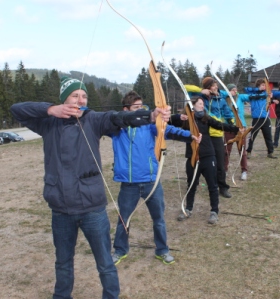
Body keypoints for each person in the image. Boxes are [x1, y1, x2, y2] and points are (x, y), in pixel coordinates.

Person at [10, 77, 171, 299]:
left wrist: (150, 116)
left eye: (84, 95)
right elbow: (16, 110)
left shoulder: (93, 119)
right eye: (75, 95)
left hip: (92, 208)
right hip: (61, 209)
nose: (80, 99)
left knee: (105, 262)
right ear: (63, 99)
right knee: (63, 262)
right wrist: (50, 110)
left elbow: (119, 118)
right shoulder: (47, 123)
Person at [108, 91, 201, 266]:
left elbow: (168, 130)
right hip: (129, 184)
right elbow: (104, 121)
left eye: (142, 107)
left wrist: (191, 136)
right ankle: (120, 250)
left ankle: (162, 250)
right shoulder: (117, 128)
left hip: (152, 181)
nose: (141, 111)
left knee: (159, 219)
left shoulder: (149, 125)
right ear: (125, 109)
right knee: (124, 219)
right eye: (136, 108)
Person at [170, 96, 241, 225]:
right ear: (193, 106)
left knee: (212, 185)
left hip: (208, 155)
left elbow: (220, 125)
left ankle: (214, 211)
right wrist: (179, 117)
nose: (202, 106)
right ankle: (188, 209)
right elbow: (169, 121)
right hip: (192, 156)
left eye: (203, 104)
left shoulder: (205, 118)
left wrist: (236, 129)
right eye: (200, 104)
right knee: (191, 184)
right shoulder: (185, 120)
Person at [199, 77, 235, 198]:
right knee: (204, 161)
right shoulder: (201, 98)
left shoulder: (221, 99)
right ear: (207, 87)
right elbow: (187, 90)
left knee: (220, 162)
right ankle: (204, 182)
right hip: (204, 134)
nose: (215, 87)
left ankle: (223, 187)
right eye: (213, 85)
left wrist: (232, 123)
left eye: (216, 85)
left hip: (217, 133)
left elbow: (227, 112)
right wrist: (201, 93)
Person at [242, 79, 280, 159]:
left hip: (266, 118)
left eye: (265, 85)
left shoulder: (267, 93)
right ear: (258, 86)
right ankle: (248, 151)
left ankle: (270, 152)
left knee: (268, 136)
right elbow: (246, 89)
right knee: (253, 135)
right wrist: (259, 90)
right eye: (262, 85)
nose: (264, 87)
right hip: (257, 118)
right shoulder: (252, 93)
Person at [223, 84, 249, 181]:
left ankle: (244, 171)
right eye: (232, 90)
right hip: (228, 127)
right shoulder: (224, 99)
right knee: (226, 150)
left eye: (236, 89)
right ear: (228, 91)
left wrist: (264, 94)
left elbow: (250, 97)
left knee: (242, 150)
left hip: (241, 127)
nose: (235, 91)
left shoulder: (240, 97)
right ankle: (224, 170)